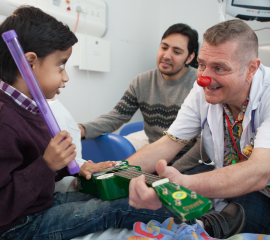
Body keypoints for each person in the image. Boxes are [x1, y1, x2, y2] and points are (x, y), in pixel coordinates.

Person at [0, 6, 173, 240]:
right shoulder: (4, 119)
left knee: (116, 196)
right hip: (17, 226)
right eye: (61, 64)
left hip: (37, 205)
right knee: (120, 208)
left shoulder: (28, 106)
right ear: (30, 62)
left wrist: (73, 167)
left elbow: (29, 165)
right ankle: (203, 222)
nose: (65, 76)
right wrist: (47, 165)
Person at [128, 19, 270, 235]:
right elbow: (169, 142)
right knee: (129, 207)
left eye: (219, 68)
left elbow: (259, 172)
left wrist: (184, 182)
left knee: (239, 211)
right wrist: (116, 170)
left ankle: (203, 227)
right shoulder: (203, 90)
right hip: (225, 183)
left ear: (251, 69)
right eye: (202, 65)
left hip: (262, 192)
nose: (204, 78)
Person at [78, 23, 199, 153]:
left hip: (188, 160)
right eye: (164, 47)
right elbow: (116, 116)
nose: (166, 55)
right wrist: (81, 129)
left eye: (176, 52)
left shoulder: (198, 85)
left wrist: (176, 169)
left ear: (189, 58)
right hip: (155, 155)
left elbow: (202, 142)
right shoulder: (142, 82)